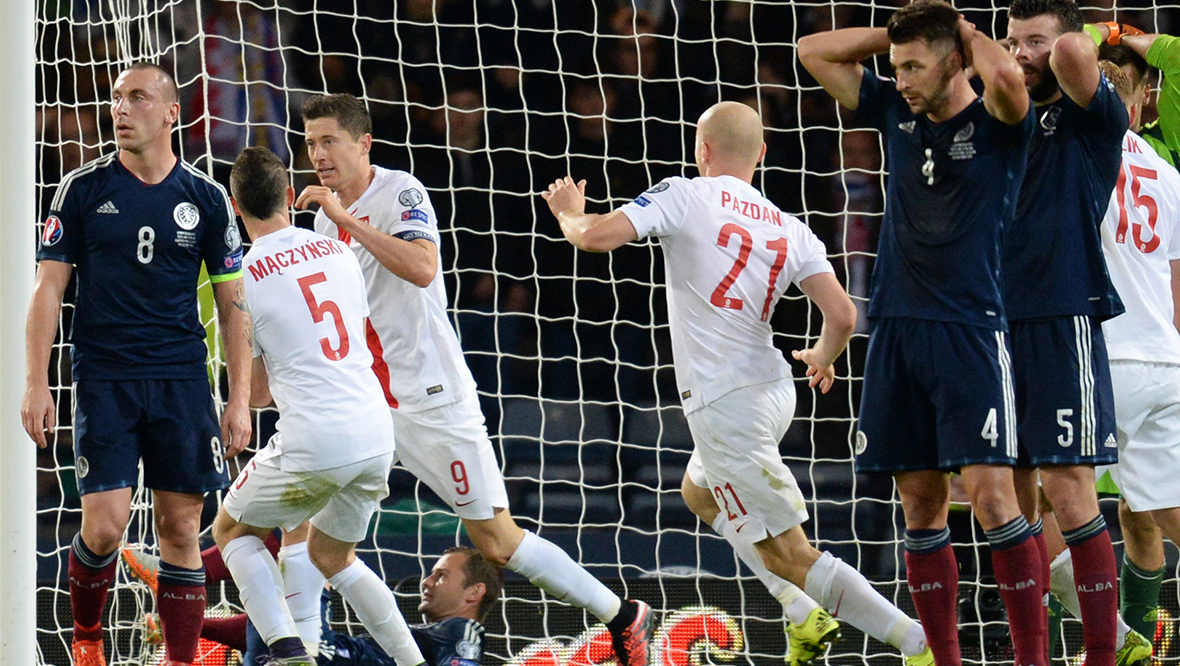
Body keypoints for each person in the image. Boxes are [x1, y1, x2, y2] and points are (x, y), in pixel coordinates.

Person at [541, 100, 933, 666]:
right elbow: (844, 315)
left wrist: (568, 212)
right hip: (774, 390)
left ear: (702, 150)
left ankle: (915, 643)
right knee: (699, 492)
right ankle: (803, 615)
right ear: (763, 155)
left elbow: (596, 237)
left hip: (726, 403)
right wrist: (824, 355)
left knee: (789, 554)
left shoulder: (684, 193)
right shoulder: (790, 226)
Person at [293, 93, 654, 666]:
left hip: (433, 400)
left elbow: (422, 267)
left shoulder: (400, 191)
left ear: (364, 143)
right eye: (310, 142)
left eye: (328, 140)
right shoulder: (320, 219)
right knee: (317, 543)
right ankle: (304, 651)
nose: (317, 154)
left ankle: (622, 615)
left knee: (497, 541)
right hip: (368, 403)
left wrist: (344, 221)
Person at [798, 2, 1042, 665]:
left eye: (914, 65)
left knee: (992, 498)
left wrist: (958, 30)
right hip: (898, 331)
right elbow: (813, 50)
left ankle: (1033, 657)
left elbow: (1013, 81)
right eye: (894, 66)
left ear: (956, 60)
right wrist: (903, 36)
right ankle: (945, 658)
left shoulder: (997, 119)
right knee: (919, 504)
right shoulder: (894, 110)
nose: (900, 77)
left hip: (969, 327)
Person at [20, 62, 252, 666]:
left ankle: (179, 661)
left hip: (180, 381)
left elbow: (233, 304)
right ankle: (89, 639)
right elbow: (47, 290)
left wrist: (237, 399)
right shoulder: (82, 189)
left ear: (172, 112)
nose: (121, 108)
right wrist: (35, 383)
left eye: (138, 98)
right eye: (117, 98)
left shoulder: (205, 198)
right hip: (105, 378)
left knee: (181, 532)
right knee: (105, 526)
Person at [212, 146, 423, 666]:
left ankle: (288, 653)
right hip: (375, 432)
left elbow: (259, 395)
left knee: (231, 530)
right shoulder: (337, 251)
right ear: (289, 196)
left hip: (316, 437)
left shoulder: (242, 276)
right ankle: (413, 661)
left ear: (236, 210)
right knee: (332, 555)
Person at [1040, 53, 1177, 665]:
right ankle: (1121, 640)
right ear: (1144, 99)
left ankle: (1088, 635)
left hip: (1099, 353)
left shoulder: (1070, 149)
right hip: (1165, 359)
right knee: (1162, 512)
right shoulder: (1169, 176)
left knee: (1030, 497)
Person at [1003, 3, 1130, 666]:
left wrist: (1069, 40)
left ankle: (1104, 654)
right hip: (989, 321)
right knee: (1003, 494)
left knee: (1068, 485)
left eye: (1035, 41)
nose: (1019, 53)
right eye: (1010, 40)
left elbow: (1077, 55)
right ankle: (1032, 655)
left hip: (1060, 313)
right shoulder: (997, 116)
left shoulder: (1091, 117)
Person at [131, 546, 502, 666]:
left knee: (302, 546)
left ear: (475, 593)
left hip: (319, 655)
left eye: (441, 576)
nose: (427, 581)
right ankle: (186, 606)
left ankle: (184, 576)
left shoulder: (464, 632)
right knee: (272, 609)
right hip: (313, 652)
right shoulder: (429, 634)